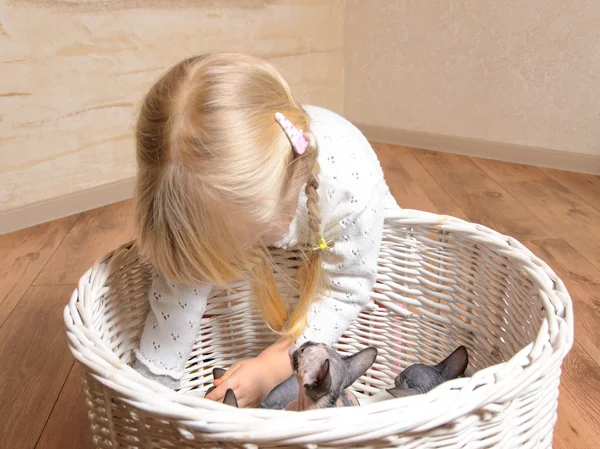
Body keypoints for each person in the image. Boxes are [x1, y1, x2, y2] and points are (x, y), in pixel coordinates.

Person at [133, 53, 399, 407]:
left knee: (382, 290)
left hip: (350, 232)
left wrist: (273, 365)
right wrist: (152, 384)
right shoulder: (198, 198)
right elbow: (180, 282)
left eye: (249, 239)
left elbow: (347, 288)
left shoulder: (351, 186)